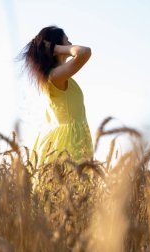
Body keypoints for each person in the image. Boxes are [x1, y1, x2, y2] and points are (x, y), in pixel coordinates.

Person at [18, 25, 94, 176]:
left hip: (74, 140)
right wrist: (58, 48)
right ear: (55, 46)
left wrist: (57, 47)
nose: (70, 43)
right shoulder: (54, 77)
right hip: (66, 144)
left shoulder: (59, 77)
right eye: (66, 41)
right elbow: (84, 52)